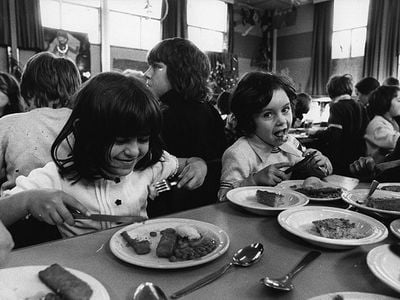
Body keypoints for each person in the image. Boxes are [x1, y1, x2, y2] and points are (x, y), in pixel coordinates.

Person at [0, 72, 207, 238]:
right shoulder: (57, 176)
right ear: (85, 131)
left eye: (143, 139)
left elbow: (187, 163)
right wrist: (28, 200)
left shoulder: (148, 165)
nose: (134, 151)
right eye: (120, 140)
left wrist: (198, 164)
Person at [218, 72, 332, 201]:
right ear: (248, 121)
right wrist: (254, 180)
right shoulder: (238, 153)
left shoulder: (292, 143)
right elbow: (223, 198)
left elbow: (318, 174)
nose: (282, 120)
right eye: (268, 114)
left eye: (285, 110)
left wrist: (321, 163)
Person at [144, 38, 227, 215]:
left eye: (157, 66)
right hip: (207, 208)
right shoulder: (209, 110)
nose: (147, 73)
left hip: (172, 211)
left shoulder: (164, 115)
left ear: (180, 72)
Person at [0, 52, 81, 194]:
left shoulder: (8, 124)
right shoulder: (82, 123)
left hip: (20, 206)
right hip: (73, 206)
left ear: (28, 90)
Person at [314, 74, 369, 176]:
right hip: (358, 155)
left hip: (341, 157)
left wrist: (316, 132)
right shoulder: (360, 106)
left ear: (331, 90)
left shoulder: (337, 107)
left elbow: (334, 135)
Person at [364, 85, 400, 163]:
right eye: (399, 100)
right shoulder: (376, 125)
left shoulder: (391, 122)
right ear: (385, 101)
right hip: (378, 171)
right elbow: (395, 141)